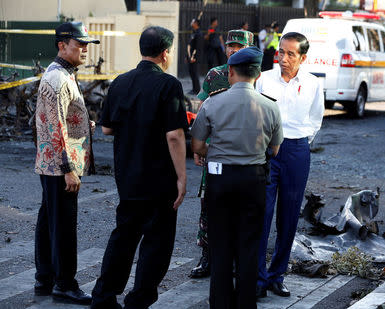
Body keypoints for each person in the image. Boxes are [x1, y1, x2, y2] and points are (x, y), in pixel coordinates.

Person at [91, 26, 188, 309]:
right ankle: (138, 301)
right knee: (156, 244)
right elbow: (175, 135)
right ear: (165, 53)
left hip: (128, 176)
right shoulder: (169, 85)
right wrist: (182, 177)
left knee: (123, 237)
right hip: (159, 179)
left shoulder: (120, 82)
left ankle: (103, 297)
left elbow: (107, 128)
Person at [191, 46, 283, 309]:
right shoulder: (270, 106)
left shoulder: (213, 102)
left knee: (220, 244)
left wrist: (217, 152)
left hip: (220, 180)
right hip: (254, 180)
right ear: (257, 75)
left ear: (230, 72)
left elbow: (197, 146)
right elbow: (275, 149)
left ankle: (220, 303)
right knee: (249, 245)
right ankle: (245, 303)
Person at [34, 21, 99, 305]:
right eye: (79, 44)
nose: (84, 49)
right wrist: (68, 170)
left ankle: (45, 279)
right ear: (62, 45)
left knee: (49, 220)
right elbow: (55, 127)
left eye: (86, 44)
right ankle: (64, 284)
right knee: (63, 225)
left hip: (53, 163)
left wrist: (85, 124)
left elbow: (51, 121)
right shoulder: (58, 79)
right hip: (60, 166)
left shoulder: (62, 74)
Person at [255, 32, 324, 298]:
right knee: (262, 213)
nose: (283, 58)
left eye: (290, 54)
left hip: (296, 150)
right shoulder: (263, 79)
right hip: (265, 152)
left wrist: (301, 143)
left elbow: (316, 118)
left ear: (302, 57)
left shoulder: (312, 84)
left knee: (289, 216)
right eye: (281, 52)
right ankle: (258, 279)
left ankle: (277, 275)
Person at [190, 29, 254, 279]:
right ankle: (207, 256)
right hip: (214, 151)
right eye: (230, 45)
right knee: (209, 203)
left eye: (239, 46)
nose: (233, 50)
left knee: (242, 207)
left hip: (245, 152)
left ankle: (238, 259)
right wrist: (199, 144)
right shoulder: (215, 75)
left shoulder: (255, 75)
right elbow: (202, 110)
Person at [187, 18, 202, 95]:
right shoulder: (194, 32)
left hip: (194, 57)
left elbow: (197, 47)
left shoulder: (199, 33)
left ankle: (197, 90)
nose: (191, 22)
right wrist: (187, 57)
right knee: (191, 72)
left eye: (193, 21)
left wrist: (194, 57)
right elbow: (190, 45)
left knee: (195, 73)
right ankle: (194, 89)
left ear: (196, 23)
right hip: (190, 57)